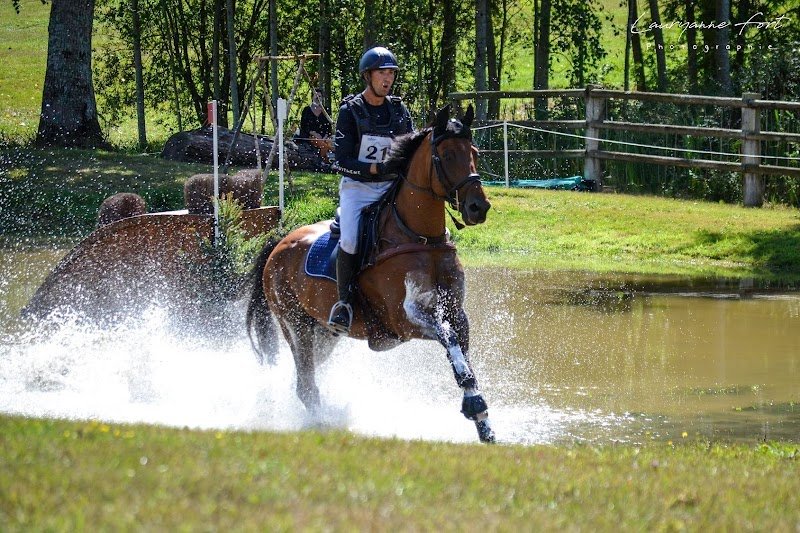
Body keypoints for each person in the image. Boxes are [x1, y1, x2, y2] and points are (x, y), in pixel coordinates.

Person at [327, 46, 413, 335]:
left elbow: (411, 148)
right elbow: (342, 160)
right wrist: (375, 169)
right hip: (358, 188)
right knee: (350, 240)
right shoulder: (350, 112)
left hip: (392, 189)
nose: (387, 78)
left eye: (391, 73)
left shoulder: (399, 110)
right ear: (368, 75)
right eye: (382, 72)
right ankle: (344, 304)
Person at [297, 87, 333, 164]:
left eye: (320, 96)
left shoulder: (326, 111)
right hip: (310, 136)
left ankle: (326, 162)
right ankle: (324, 162)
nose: (318, 98)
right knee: (325, 146)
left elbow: (329, 127)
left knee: (331, 145)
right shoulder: (307, 110)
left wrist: (325, 137)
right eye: (316, 96)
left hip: (324, 137)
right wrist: (314, 133)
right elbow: (304, 126)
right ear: (312, 97)